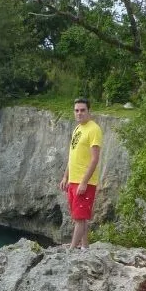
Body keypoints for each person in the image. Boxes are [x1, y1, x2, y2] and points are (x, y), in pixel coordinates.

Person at [60, 98, 103, 249]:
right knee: (80, 217)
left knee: (79, 217)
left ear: (88, 111)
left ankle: (71, 250)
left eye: (82, 110)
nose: (79, 113)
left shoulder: (94, 129)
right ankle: (85, 247)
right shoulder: (77, 129)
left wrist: (84, 182)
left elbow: (95, 159)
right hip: (73, 180)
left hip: (85, 181)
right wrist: (66, 176)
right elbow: (72, 156)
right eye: (76, 110)